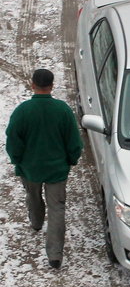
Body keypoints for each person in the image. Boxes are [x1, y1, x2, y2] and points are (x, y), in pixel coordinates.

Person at [5, 69, 83, 269]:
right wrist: (71, 159)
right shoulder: (62, 110)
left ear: (32, 85)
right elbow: (74, 141)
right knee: (57, 208)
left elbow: (13, 140)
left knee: (33, 196)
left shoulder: (23, 111)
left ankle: (36, 222)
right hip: (57, 169)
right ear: (52, 86)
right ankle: (55, 255)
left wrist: (18, 160)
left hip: (30, 168)